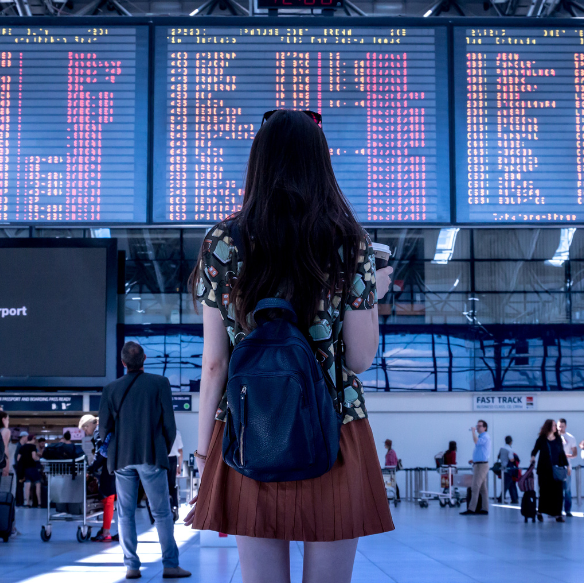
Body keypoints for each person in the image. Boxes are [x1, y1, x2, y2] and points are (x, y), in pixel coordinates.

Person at [184, 109, 395, 583]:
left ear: (258, 163)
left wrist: (203, 456)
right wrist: (369, 295)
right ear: (321, 163)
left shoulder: (223, 241)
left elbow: (215, 364)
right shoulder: (350, 243)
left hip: (248, 428)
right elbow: (360, 359)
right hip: (335, 430)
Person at [99, 341, 190, 579]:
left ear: (122, 362)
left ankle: (131, 566)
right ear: (145, 358)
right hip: (151, 455)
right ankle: (170, 565)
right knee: (161, 513)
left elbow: (103, 430)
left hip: (121, 458)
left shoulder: (111, 389)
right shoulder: (160, 383)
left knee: (125, 513)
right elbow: (170, 425)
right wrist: (162, 449)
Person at [79, 414, 118, 543]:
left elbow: (101, 452)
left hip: (109, 468)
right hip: (118, 465)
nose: (86, 433)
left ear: (89, 425)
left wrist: (91, 468)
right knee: (114, 500)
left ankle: (106, 532)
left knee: (108, 500)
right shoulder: (107, 427)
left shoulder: (98, 431)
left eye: (85, 429)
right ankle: (110, 530)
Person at [531, 419, 569, 523]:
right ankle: (540, 512)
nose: (555, 427)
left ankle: (558, 514)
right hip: (544, 470)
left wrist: (567, 466)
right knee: (544, 492)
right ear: (548, 426)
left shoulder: (558, 439)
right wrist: (533, 457)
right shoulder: (542, 439)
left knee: (558, 492)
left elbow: (562, 453)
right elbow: (534, 450)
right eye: (553, 425)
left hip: (556, 469)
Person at [460, 420, 491, 516]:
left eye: (480, 426)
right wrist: (474, 460)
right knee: (482, 489)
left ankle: (472, 509)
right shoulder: (482, 437)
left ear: (485, 427)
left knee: (475, 487)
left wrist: (473, 432)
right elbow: (481, 452)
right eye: (477, 426)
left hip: (481, 466)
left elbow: (476, 441)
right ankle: (485, 509)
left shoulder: (485, 436)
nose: (477, 427)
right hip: (478, 464)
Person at [558, 418, 577, 517]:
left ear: (566, 426)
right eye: (559, 426)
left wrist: (566, 456)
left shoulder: (570, 438)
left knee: (567, 490)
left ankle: (567, 510)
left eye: (562, 426)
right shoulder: (553, 437)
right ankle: (556, 510)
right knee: (556, 490)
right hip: (556, 467)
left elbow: (575, 453)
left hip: (566, 467)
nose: (560, 428)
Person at [17, 435, 42, 507]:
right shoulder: (32, 446)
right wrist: (39, 459)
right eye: (35, 439)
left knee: (27, 485)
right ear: (33, 439)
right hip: (33, 468)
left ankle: (27, 502)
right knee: (38, 484)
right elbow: (33, 457)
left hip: (25, 469)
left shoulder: (22, 447)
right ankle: (39, 502)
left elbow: (18, 459)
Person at [497, 436, 519, 504]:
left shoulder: (502, 449)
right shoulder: (510, 449)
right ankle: (501, 498)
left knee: (511, 484)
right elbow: (511, 459)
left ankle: (514, 499)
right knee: (507, 485)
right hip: (508, 469)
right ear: (511, 442)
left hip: (503, 468)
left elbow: (498, 457)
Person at [168, 430, 183, 516]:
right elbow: (180, 450)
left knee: (161, 486)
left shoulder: (157, 429)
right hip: (172, 460)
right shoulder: (176, 432)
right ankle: (174, 507)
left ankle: (164, 508)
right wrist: (179, 466)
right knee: (172, 485)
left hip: (160, 459)